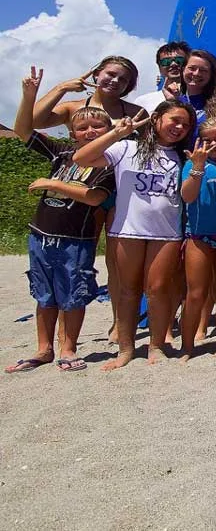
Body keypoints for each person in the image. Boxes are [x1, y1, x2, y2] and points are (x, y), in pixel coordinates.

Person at [4, 67, 114, 374]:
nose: (90, 132)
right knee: (44, 295)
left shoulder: (107, 164)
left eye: (98, 127)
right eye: (84, 128)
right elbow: (24, 131)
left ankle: (68, 348)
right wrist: (31, 95)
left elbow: (94, 197)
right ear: (71, 133)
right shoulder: (61, 154)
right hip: (40, 235)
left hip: (75, 241)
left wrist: (53, 184)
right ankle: (44, 348)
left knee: (73, 295)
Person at [73, 100, 192, 370]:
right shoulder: (126, 147)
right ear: (156, 117)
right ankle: (125, 349)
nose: (179, 127)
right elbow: (81, 158)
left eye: (185, 124)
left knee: (159, 289)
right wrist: (115, 133)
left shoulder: (182, 155)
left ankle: (156, 346)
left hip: (167, 232)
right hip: (128, 229)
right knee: (127, 290)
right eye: (174, 120)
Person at [178, 117, 216, 360]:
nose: (214, 143)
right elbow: (187, 196)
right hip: (198, 235)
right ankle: (187, 345)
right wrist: (198, 168)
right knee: (195, 293)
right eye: (208, 139)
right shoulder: (194, 163)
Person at [33, 56, 143, 128]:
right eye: (111, 74)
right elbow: (34, 122)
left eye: (123, 79)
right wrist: (61, 88)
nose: (115, 81)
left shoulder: (136, 113)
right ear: (96, 74)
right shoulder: (72, 109)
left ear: (128, 85)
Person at [135, 42, 191, 111]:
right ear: (159, 67)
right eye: (166, 61)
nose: (173, 64)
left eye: (179, 60)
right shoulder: (143, 101)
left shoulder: (204, 98)